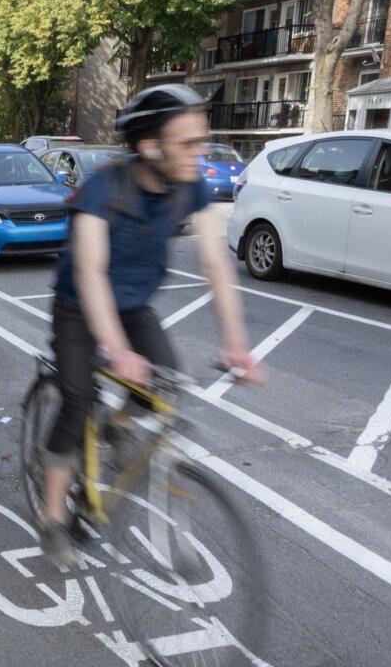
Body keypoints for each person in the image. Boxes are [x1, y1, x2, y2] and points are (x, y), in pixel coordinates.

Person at [40, 84, 262, 566]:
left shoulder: (189, 184)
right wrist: (118, 351)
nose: (200, 153)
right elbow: (91, 274)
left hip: (133, 306)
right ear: (150, 147)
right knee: (76, 401)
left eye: (201, 140)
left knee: (165, 383)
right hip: (78, 306)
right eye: (188, 143)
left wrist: (237, 344)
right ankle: (53, 516)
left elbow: (216, 264)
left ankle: (117, 424)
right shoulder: (103, 189)